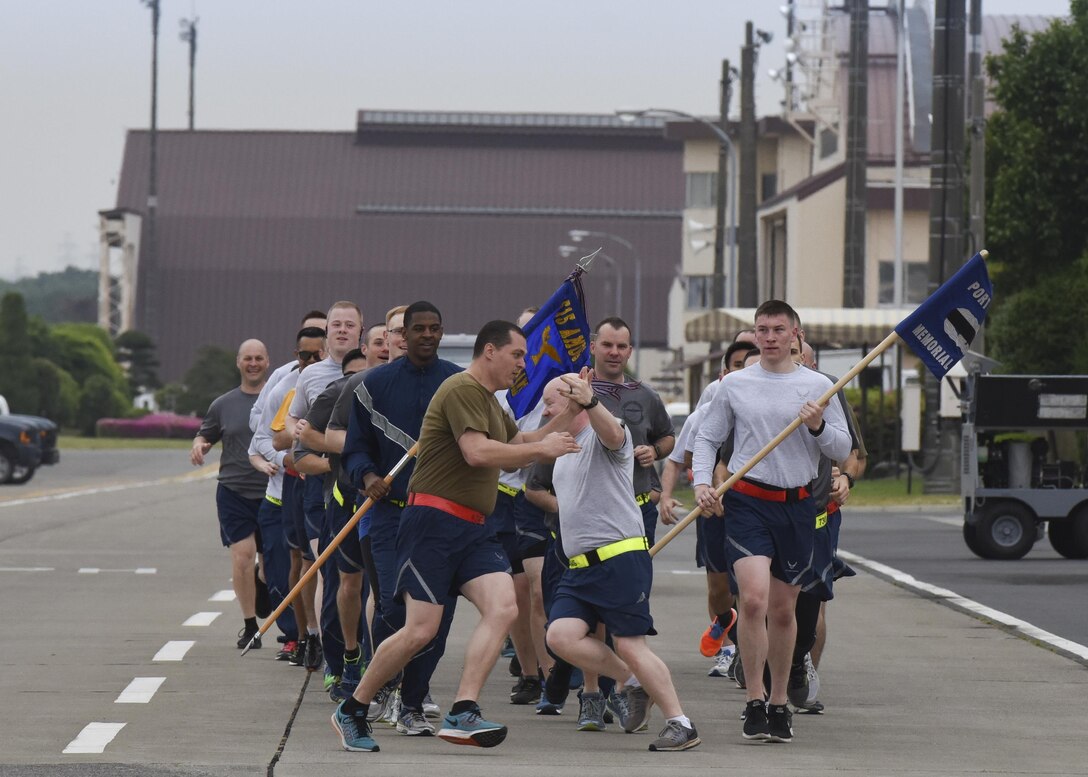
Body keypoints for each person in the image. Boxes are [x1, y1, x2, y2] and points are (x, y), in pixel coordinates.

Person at [331, 319, 581, 753]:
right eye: (517, 354)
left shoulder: (486, 399)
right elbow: (478, 452)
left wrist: (575, 410)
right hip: (432, 524)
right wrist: (540, 450)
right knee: (420, 631)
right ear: (489, 351)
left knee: (503, 607)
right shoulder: (462, 389)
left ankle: (463, 710)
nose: (523, 364)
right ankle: (353, 707)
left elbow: (519, 440)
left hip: (473, 529)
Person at [692, 300, 851, 743]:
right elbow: (707, 437)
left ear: (795, 333)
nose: (769, 337)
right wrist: (702, 482)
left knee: (783, 611)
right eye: (762, 329)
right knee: (755, 601)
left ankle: (780, 703)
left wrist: (818, 426)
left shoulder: (819, 385)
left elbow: (842, 449)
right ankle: (754, 700)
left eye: (778, 329)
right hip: (747, 503)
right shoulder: (734, 385)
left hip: (799, 506)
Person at [543, 371, 701, 752]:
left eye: (550, 401)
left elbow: (615, 435)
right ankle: (632, 682)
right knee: (559, 636)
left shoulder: (607, 435)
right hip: (580, 567)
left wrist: (592, 401)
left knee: (631, 644)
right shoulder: (566, 448)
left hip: (619, 558)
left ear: (575, 399)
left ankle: (681, 723)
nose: (544, 409)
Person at [338, 300, 460, 734]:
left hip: (442, 518)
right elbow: (353, 451)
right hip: (388, 515)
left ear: (442, 332)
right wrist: (367, 475)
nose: (426, 335)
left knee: (437, 617)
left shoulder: (458, 383)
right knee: (391, 603)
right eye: (418, 329)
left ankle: (412, 702)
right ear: (402, 336)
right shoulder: (374, 385)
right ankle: (383, 685)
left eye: (434, 328)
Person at [247, 326, 327, 653]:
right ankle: (302, 634)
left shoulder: (350, 378)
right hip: (288, 488)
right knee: (299, 561)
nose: (308, 361)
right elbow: (264, 436)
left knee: (326, 564)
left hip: (333, 485)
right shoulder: (285, 386)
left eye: (315, 354)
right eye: (303, 355)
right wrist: (288, 458)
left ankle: (321, 635)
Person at [190, 339, 270, 648]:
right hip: (234, 491)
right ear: (238, 362)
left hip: (272, 493)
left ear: (267, 362)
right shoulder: (223, 404)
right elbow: (205, 434)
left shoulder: (278, 399)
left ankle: (263, 579)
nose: (253, 363)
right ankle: (250, 626)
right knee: (242, 557)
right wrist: (199, 446)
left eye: (259, 358)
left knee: (272, 564)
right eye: (247, 358)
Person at [589, 317, 675, 545]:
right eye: (607, 345)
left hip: (637, 508)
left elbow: (668, 437)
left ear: (630, 351)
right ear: (593, 347)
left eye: (621, 346)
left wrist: (654, 451)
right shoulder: (574, 390)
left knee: (636, 578)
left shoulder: (646, 396)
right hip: (589, 510)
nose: (614, 352)